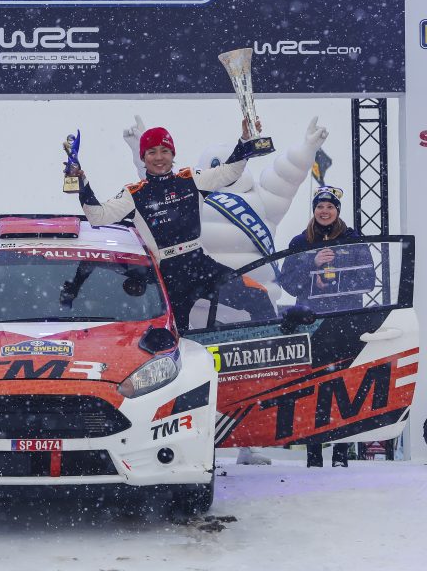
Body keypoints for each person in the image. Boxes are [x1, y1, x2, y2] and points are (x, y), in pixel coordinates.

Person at [124, 115, 330, 466]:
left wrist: (307, 148)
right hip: (198, 297)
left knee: (249, 376)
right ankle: (184, 440)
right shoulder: (187, 191)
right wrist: (139, 147)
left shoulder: (259, 199)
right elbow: (150, 191)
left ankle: (250, 441)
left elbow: (285, 176)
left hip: (240, 306)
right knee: (190, 371)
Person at [76, 119, 267, 334]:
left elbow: (230, 172)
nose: (159, 157)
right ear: (143, 157)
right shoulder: (134, 194)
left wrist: (245, 140)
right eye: (152, 152)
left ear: (172, 154)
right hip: (168, 275)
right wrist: (82, 185)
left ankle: (270, 347)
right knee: (175, 336)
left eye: (164, 151)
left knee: (258, 297)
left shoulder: (191, 179)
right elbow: (98, 216)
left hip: (200, 264)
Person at [280, 185, 375, 467]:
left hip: (346, 321)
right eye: (320, 207)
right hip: (312, 323)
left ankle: (341, 455)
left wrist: (336, 282)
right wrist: (312, 264)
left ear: (337, 210)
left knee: (344, 385)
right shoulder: (300, 242)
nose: (324, 211)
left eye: (330, 207)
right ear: (314, 210)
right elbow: (287, 283)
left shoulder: (353, 239)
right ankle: (313, 455)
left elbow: (368, 280)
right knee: (313, 386)